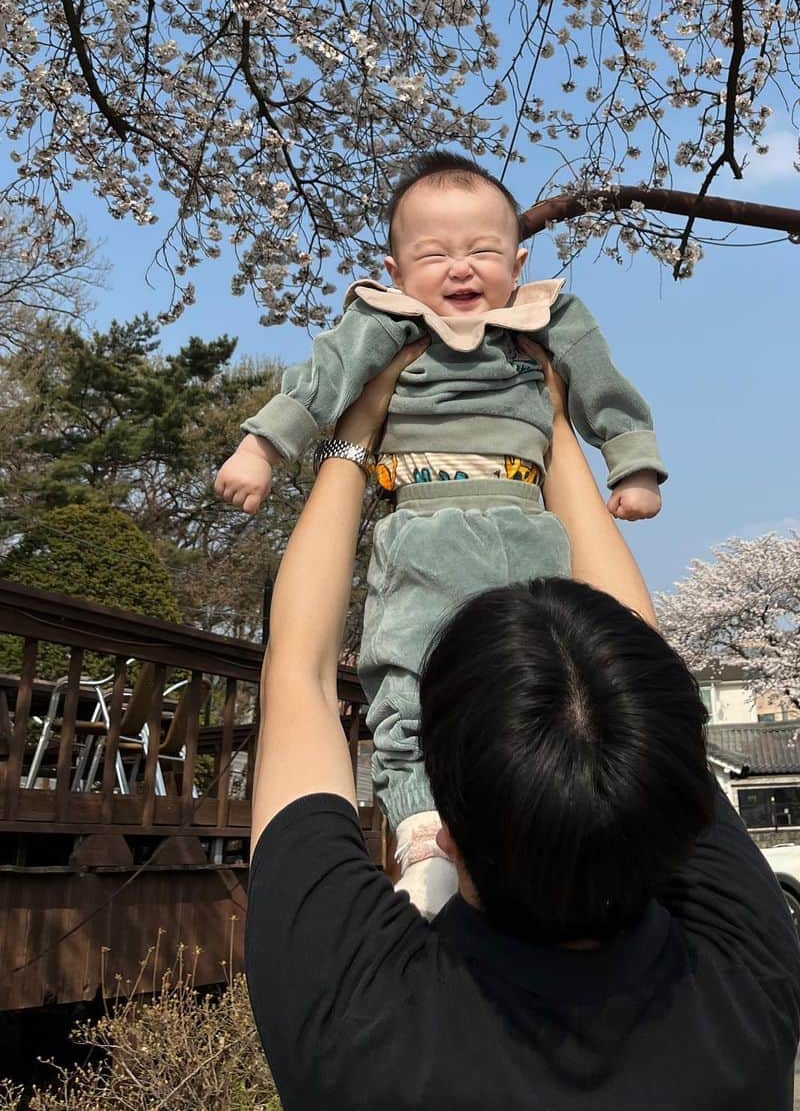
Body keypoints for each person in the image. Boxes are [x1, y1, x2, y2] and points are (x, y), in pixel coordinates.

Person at [244, 337, 800, 1111]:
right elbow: (643, 670)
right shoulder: (745, 984)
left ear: (443, 828)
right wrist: (550, 421)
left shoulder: (358, 1020)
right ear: (670, 798)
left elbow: (299, 679)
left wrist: (356, 432)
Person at [216, 152, 667, 912]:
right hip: (422, 522)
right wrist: (262, 446)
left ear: (518, 262)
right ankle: (423, 830)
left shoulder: (548, 318)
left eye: (483, 251)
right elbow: (321, 380)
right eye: (434, 255)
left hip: (526, 517)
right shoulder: (386, 323)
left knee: (553, 672)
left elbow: (603, 386)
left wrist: (633, 464)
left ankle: (544, 805)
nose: (461, 269)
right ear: (396, 270)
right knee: (407, 669)